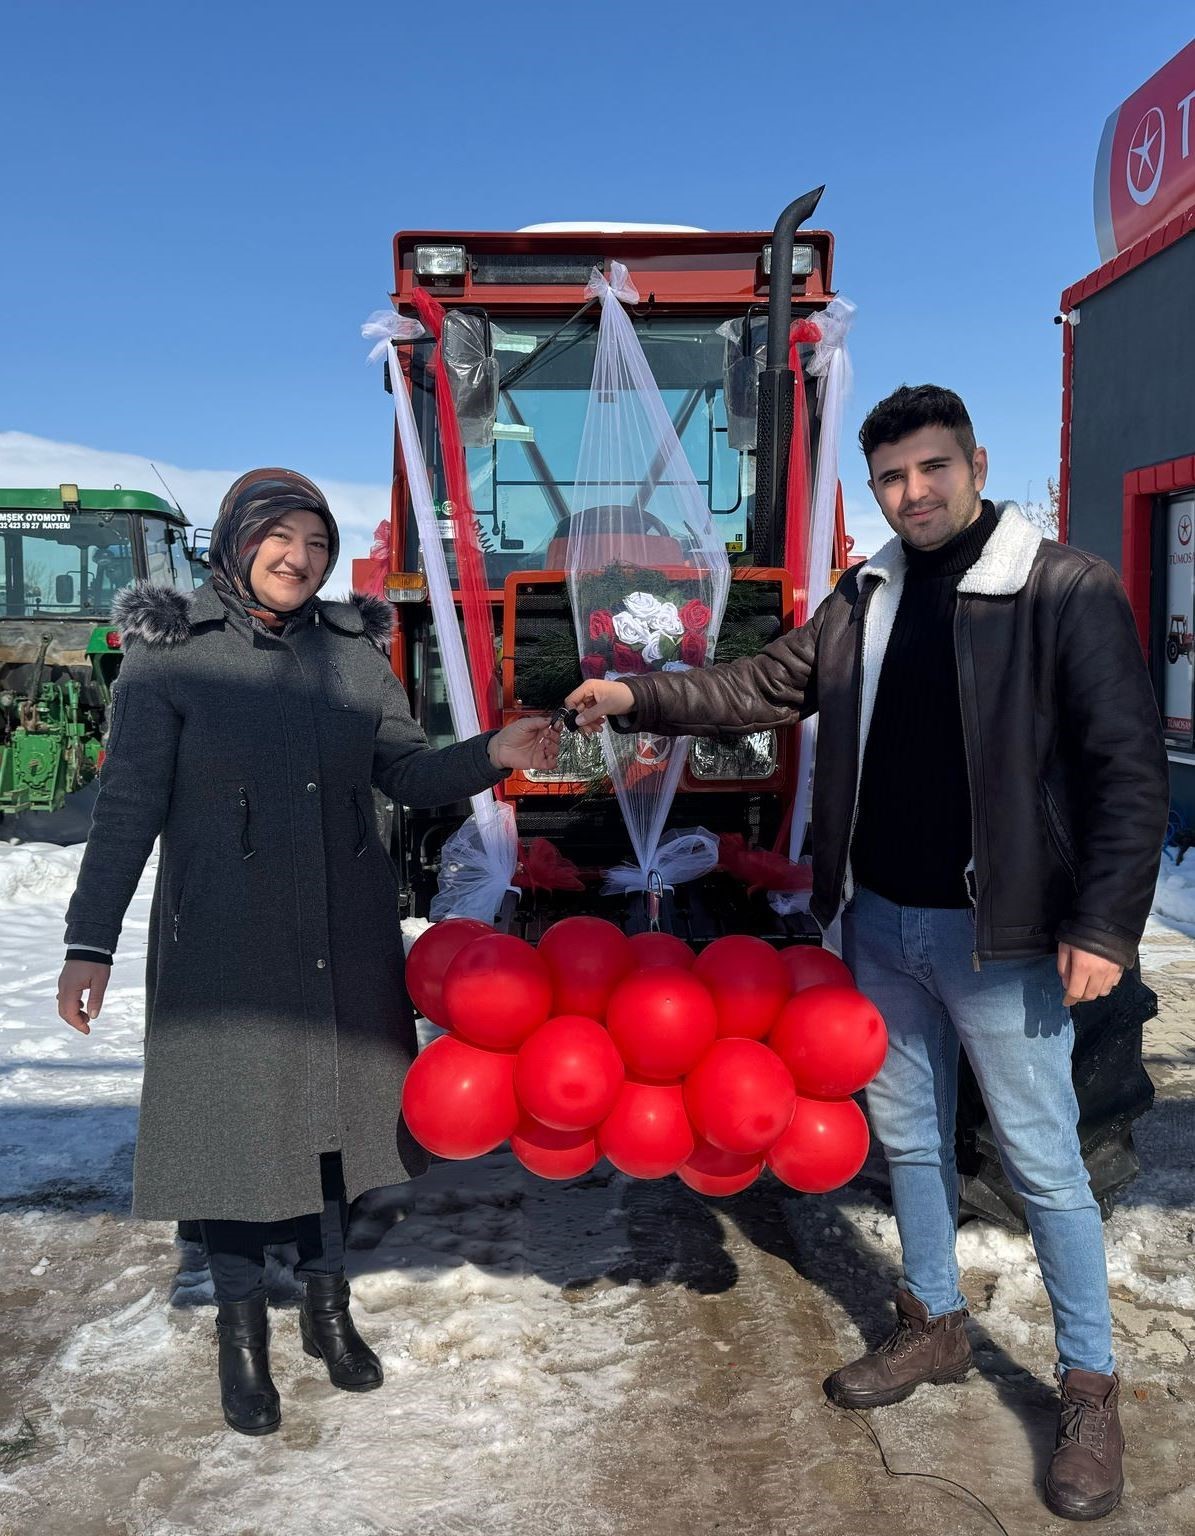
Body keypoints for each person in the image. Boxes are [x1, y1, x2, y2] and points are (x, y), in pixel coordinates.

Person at [565, 385, 1169, 1522]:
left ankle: (1088, 1390)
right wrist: (637, 694)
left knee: (1045, 1166)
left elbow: (1127, 770)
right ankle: (932, 1322)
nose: (913, 492)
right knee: (910, 1144)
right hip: (881, 921)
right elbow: (760, 684)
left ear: (975, 462)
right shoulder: (868, 595)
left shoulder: (1062, 588)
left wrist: (1102, 926)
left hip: (1002, 936)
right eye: (892, 477)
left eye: (932, 468)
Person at [57, 468, 558, 1436]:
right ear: (237, 540)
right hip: (222, 936)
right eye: (280, 537)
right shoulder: (172, 656)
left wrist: (492, 754)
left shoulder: (351, 652)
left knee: (335, 1123)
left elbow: (408, 771)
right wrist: (90, 942)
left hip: (341, 927)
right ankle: (241, 1335)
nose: (300, 557)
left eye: (318, 542)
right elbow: (127, 809)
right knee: (234, 1135)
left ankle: (330, 1311)